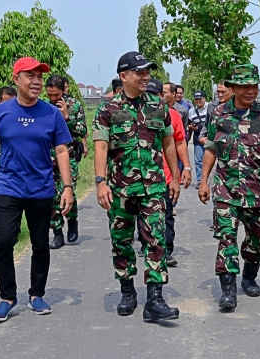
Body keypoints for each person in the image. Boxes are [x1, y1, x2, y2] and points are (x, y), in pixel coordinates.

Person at [93, 51, 181, 322]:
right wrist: (100, 182)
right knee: (121, 242)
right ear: (124, 76)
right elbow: (101, 146)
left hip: (153, 186)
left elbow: (168, 143)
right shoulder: (107, 109)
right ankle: (127, 291)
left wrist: (175, 177)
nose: (146, 77)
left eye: (147, 72)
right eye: (140, 72)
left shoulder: (158, 106)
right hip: (120, 189)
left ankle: (155, 299)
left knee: (156, 240)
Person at [0, 57, 74, 322]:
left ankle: (36, 294)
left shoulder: (51, 113)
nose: (36, 82)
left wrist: (67, 187)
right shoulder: (0, 112)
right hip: (8, 187)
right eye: (30, 76)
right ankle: (7, 298)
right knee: (3, 242)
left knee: (40, 244)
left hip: (41, 189)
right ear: (16, 79)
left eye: (39, 77)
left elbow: (61, 150)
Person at [198, 64, 260, 309]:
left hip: (256, 191)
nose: (250, 91)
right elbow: (212, 147)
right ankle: (228, 290)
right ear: (232, 88)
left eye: (254, 86)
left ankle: (249, 276)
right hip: (226, 190)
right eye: (245, 86)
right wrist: (203, 180)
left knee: (258, 239)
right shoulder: (218, 115)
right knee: (226, 239)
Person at [144, 79, 193, 266]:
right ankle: (148, 245)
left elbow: (180, 142)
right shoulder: (133, 113)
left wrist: (185, 169)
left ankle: (166, 250)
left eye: (159, 93)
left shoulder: (172, 116)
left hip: (165, 174)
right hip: (140, 176)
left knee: (166, 213)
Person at [46, 75, 88, 249]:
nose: (53, 98)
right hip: (47, 156)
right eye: (50, 95)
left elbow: (82, 130)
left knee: (67, 189)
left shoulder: (75, 105)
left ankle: (72, 219)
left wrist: (66, 116)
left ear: (64, 90)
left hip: (69, 155)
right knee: (50, 194)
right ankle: (57, 232)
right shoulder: (43, 107)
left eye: (56, 94)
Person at [200, 81, 233, 231]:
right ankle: (218, 220)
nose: (220, 95)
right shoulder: (214, 109)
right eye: (218, 92)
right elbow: (206, 129)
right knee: (217, 192)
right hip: (219, 160)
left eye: (223, 92)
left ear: (232, 91)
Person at [187, 90, 208, 186]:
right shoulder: (191, 111)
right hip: (197, 139)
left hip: (209, 138)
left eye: (200, 99)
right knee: (198, 161)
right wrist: (190, 128)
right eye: (196, 99)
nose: (198, 101)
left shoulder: (210, 108)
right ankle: (200, 181)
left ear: (204, 98)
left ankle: (207, 180)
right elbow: (189, 124)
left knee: (209, 160)